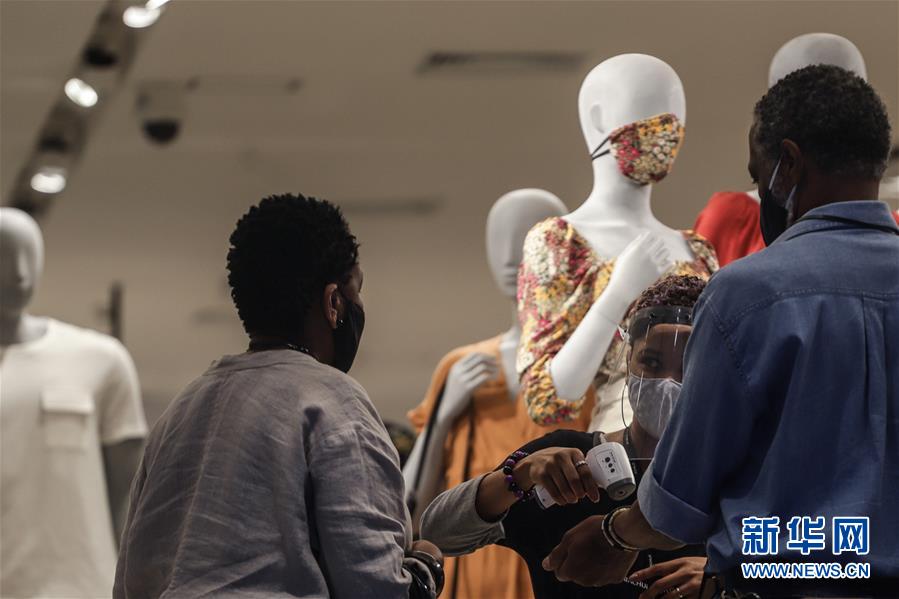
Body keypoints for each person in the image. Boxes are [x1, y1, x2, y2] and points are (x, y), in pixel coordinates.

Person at [541, 65, 899, 597]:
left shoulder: (749, 295)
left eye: (758, 174)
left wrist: (615, 536)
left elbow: (683, 493)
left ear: (788, 164)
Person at [114, 194, 444, 599]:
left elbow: (130, 577)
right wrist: (426, 563)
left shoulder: (181, 410)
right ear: (333, 302)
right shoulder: (333, 402)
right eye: (356, 290)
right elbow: (376, 585)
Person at [421, 275, 709, 599]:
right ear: (629, 360)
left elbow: (762, 564)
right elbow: (438, 532)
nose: (668, 382)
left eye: (688, 364)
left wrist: (725, 579)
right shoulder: (571, 465)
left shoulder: (740, 481)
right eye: (651, 362)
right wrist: (517, 476)